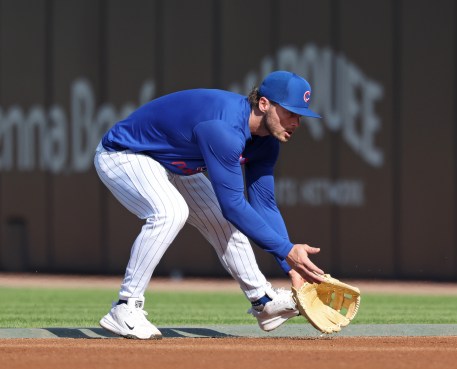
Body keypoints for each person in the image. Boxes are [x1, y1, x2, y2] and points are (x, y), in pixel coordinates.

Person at [94, 71, 325, 340]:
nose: (296, 122)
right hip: (125, 153)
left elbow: (264, 204)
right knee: (170, 212)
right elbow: (233, 204)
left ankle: (263, 301)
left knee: (222, 222)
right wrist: (287, 250)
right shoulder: (224, 128)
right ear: (264, 104)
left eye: (300, 115)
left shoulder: (267, 142)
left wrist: (292, 267)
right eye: (290, 112)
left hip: (173, 163)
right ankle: (125, 307)